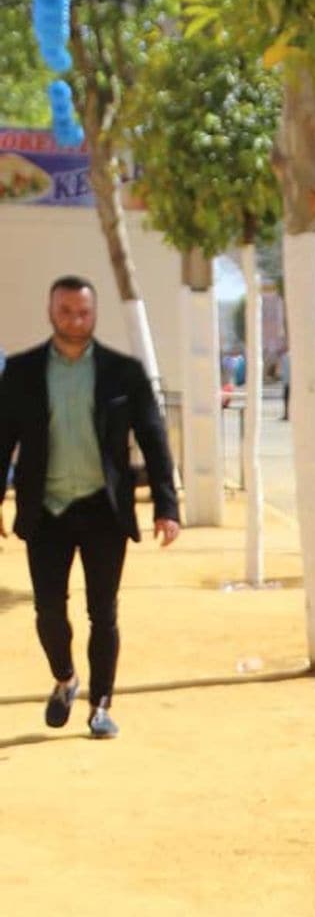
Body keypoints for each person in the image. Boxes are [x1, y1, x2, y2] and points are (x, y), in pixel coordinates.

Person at [0, 275, 182, 739]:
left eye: (83, 313)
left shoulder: (124, 371)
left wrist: (167, 505)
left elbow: (153, 439)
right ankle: (65, 678)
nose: (75, 321)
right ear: (50, 311)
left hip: (104, 510)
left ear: (94, 314)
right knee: (48, 611)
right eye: (66, 312)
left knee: (104, 612)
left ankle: (100, 705)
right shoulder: (21, 371)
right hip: (47, 511)